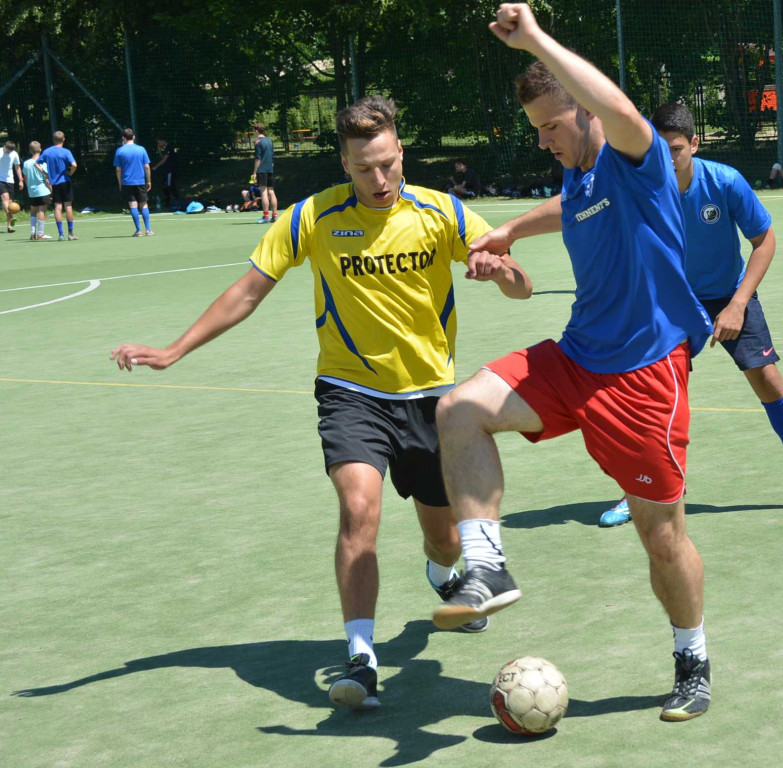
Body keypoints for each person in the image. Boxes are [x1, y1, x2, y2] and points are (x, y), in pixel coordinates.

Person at [110, 94, 532, 711]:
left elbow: (520, 286)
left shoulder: (442, 212)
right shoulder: (312, 218)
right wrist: (174, 350)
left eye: (387, 163)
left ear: (400, 151)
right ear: (344, 162)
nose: (379, 179)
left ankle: (444, 575)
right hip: (350, 393)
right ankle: (361, 658)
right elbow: (248, 291)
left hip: (430, 399)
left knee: (443, 540)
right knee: (358, 510)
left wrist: (500, 273)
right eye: (364, 169)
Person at [432, 3, 715, 723]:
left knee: (661, 536)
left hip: (645, 378)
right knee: (458, 409)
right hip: (575, 359)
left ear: (584, 113)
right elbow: (567, 209)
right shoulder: (584, 179)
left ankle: (692, 657)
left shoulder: (638, 159)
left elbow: (616, 104)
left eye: (553, 126)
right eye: (537, 131)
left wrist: (533, 40)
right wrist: (509, 230)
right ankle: (486, 563)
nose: (546, 141)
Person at [599, 102, 783, 529]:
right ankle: (639, 489)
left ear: (694, 144)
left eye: (675, 148)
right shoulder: (640, 189)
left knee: (768, 379)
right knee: (653, 394)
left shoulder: (725, 182)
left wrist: (737, 304)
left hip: (729, 294)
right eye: (658, 150)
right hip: (670, 301)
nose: (668, 158)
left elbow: (764, 240)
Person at [113, 127, 154, 237]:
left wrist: (120, 182)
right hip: (140, 181)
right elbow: (147, 166)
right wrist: (148, 180)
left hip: (127, 182)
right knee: (144, 204)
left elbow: (118, 169)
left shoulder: (120, 151)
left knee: (133, 205)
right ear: (134, 137)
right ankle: (148, 230)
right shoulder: (141, 149)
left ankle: (138, 230)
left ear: (123, 138)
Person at [39, 131, 78, 240]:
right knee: (68, 206)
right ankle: (70, 234)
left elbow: (37, 163)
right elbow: (74, 165)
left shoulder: (47, 152)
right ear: (64, 139)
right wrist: (70, 172)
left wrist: (45, 173)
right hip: (65, 181)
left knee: (57, 207)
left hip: (54, 183)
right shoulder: (66, 152)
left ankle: (61, 234)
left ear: (54, 139)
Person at [22, 141, 52, 240]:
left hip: (32, 191)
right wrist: (52, 191)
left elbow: (25, 178)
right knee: (42, 211)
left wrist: (29, 188)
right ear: (40, 149)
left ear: (30, 150)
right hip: (43, 190)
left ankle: (32, 233)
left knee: (33, 212)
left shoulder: (26, 163)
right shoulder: (42, 162)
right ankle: (40, 233)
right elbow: (47, 180)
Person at [252, 123, 277, 223]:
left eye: (253, 130)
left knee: (263, 192)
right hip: (270, 169)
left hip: (262, 170)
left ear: (257, 131)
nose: (253, 132)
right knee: (271, 191)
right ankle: (275, 216)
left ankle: (266, 217)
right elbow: (272, 157)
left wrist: (254, 173)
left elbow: (258, 158)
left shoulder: (258, 142)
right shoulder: (270, 140)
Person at [1, 140, 23, 233]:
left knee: (10, 203)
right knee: (5, 198)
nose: (8, 152)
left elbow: (17, 167)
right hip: (0, 180)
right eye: (7, 150)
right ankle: (12, 216)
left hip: (10, 180)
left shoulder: (14, 154)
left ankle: (10, 227)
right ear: (4, 146)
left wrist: (21, 180)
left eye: (10, 151)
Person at [152, 136, 179, 208]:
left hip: (171, 170)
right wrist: (159, 149)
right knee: (164, 185)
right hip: (166, 170)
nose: (159, 144)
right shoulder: (165, 149)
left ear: (163, 140)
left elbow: (164, 160)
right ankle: (168, 201)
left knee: (170, 185)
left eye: (159, 142)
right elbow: (162, 157)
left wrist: (156, 166)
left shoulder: (169, 147)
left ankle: (176, 200)